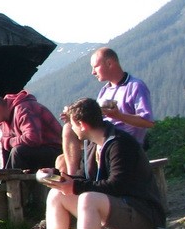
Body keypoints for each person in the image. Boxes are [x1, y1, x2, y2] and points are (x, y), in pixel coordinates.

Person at [42, 97, 167, 229]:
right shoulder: (94, 145)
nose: (72, 130)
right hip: (115, 211)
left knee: (88, 199)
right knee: (57, 194)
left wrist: (75, 186)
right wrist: (60, 178)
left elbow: (117, 186)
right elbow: (88, 181)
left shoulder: (120, 144)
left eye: (72, 125)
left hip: (141, 214)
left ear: (82, 124)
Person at [59, 47, 155, 176]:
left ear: (109, 63)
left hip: (122, 142)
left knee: (64, 159)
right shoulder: (104, 90)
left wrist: (119, 116)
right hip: (101, 137)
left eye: (95, 67)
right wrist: (74, 119)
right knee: (67, 135)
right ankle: (72, 178)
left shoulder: (135, 86)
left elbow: (148, 122)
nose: (93, 72)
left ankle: (80, 182)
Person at [0, 90, 63, 171]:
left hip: (56, 152)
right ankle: (2, 182)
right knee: (6, 149)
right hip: (38, 152)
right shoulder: (3, 120)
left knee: (18, 151)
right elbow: (3, 142)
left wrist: (5, 141)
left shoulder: (24, 109)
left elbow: (32, 139)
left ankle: (9, 184)